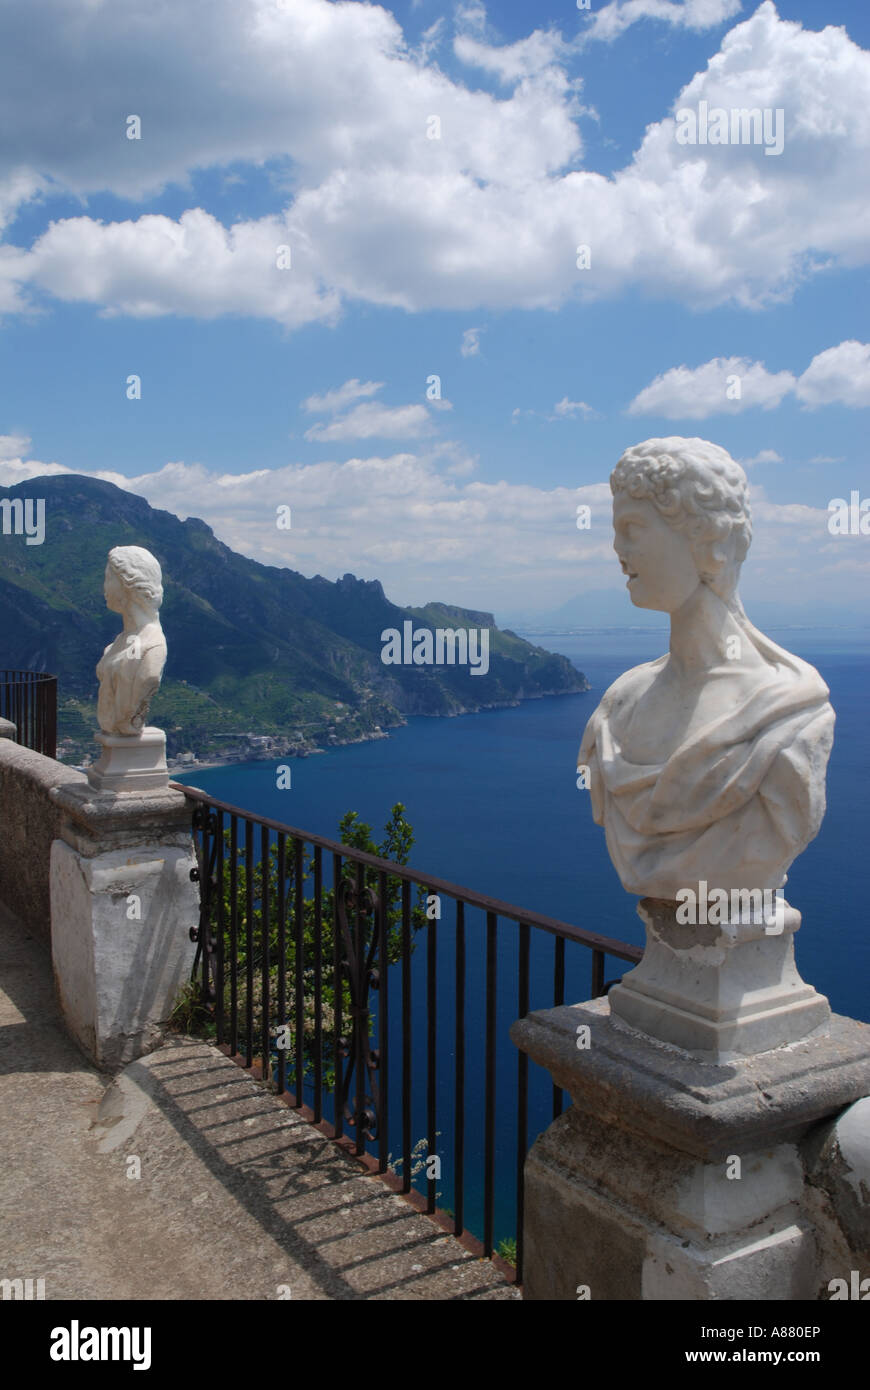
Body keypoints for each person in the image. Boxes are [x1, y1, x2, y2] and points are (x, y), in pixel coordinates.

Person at [578, 438, 834, 903]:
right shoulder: (620, 705)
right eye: (616, 531)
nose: (618, 549)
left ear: (706, 540)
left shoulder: (792, 716)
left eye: (632, 527)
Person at [96, 545, 167, 737]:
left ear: (128, 583)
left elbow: (149, 677)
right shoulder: (121, 641)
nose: (104, 586)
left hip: (124, 738)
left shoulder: (152, 646)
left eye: (108, 579)